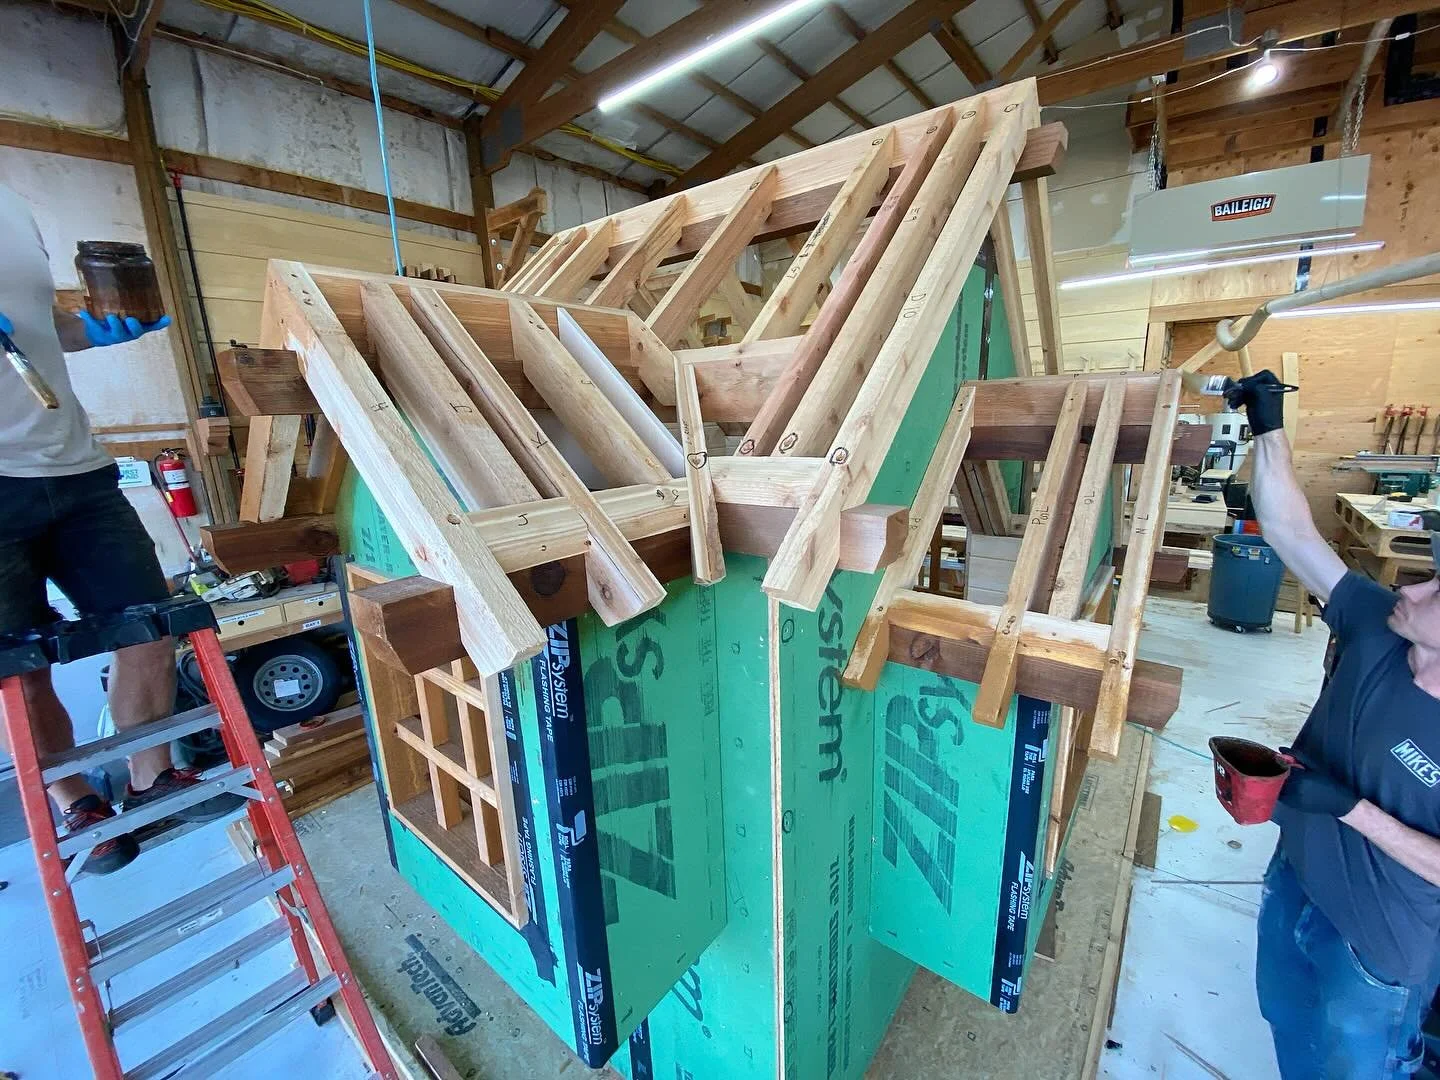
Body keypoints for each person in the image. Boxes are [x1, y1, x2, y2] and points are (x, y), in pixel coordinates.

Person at [0, 183, 236, 875]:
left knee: (152, 624)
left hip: (78, 473)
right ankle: (76, 800)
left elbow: (38, 327)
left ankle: (151, 777)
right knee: (21, 668)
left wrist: (93, 331)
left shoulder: (14, 202)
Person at [1230, 368, 1440, 1078]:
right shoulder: (1381, 627)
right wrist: (1268, 427)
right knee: (1287, 1029)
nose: (1415, 584)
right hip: (1295, 879)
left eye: (1438, 590)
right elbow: (1290, 531)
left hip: (1376, 947)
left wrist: (1351, 809)